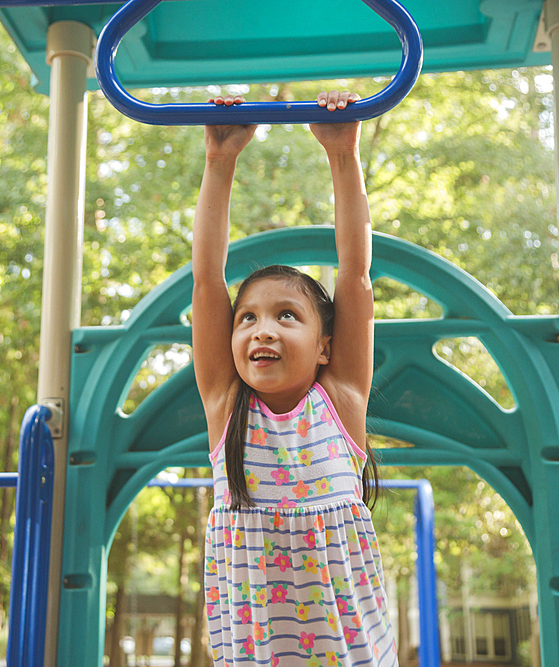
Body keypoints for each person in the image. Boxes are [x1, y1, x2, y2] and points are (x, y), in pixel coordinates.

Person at [192, 91, 397, 666]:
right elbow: (208, 282)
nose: (263, 330)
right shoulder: (226, 406)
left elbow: (354, 277)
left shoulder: (340, 398)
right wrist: (219, 161)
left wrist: (342, 153)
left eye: (288, 315)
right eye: (248, 318)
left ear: (325, 344)